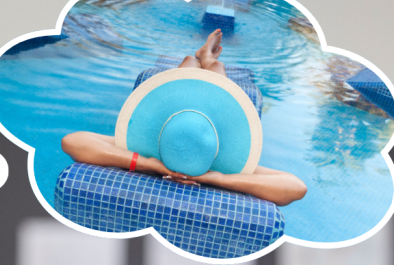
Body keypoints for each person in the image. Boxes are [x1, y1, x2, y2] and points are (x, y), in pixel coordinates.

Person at [62, 29, 307, 207]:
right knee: (214, 77)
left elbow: (73, 141)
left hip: (178, 115)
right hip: (183, 120)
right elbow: (295, 187)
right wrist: (218, 177)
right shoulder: (217, 160)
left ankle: (202, 57)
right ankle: (208, 59)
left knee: (193, 70)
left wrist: (150, 164)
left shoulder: (152, 150)